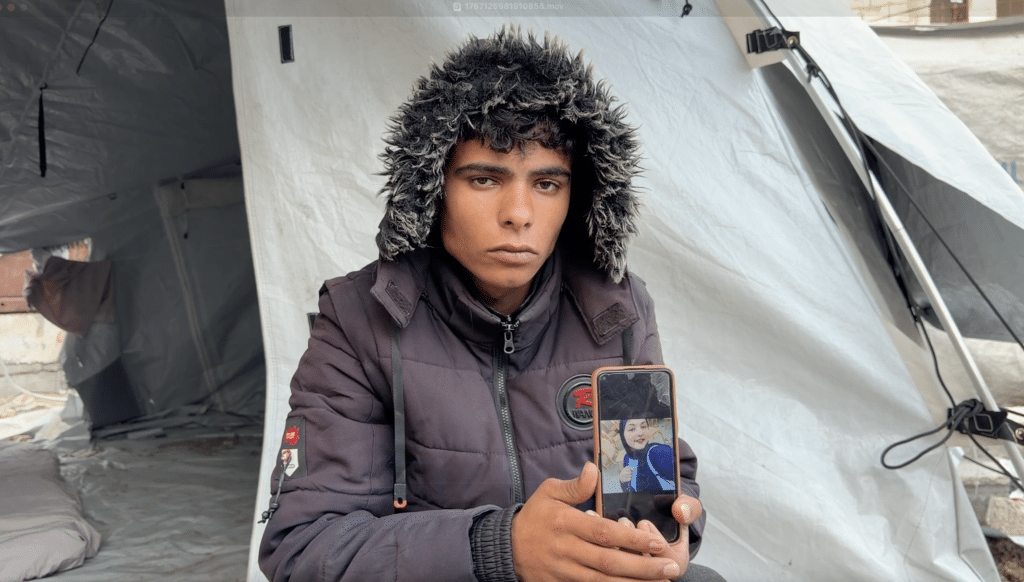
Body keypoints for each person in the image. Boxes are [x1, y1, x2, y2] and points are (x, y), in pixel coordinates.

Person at [259, 28, 724, 582]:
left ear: (578, 198)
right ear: (432, 192)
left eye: (548, 184)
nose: (519, 213)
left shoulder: (617, 309)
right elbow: (304, 547)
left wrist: (674, 527)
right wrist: (500, 547)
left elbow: (663, 478)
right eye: (485, 179)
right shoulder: (360, 319)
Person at [619, 419, 675, 494]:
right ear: (623, 435)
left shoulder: (657, 452)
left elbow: (682, 479)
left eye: (643, 426)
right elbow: (629, 494)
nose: (640, 433)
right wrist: (623, 481)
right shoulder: (627, 458)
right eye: (632, 429)